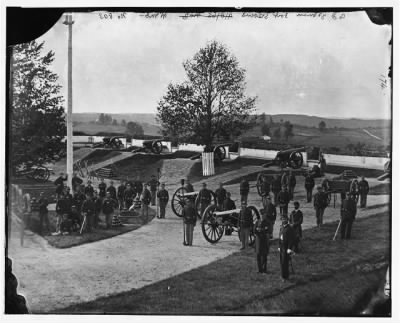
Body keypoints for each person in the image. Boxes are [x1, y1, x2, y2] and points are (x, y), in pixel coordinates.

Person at [278, 217, 296, 282]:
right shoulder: (282, 227)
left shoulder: (289, 229)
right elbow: (279, 238)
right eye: (282, 219)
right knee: (281, 262)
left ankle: (285, 276)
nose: (283, 220)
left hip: (286, 247)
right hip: (282, 247)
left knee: (285, 262)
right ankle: (283, 275)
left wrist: (289, 248)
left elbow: (291, 239)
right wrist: (279, 246)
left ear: (287, 220)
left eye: (284, 219)